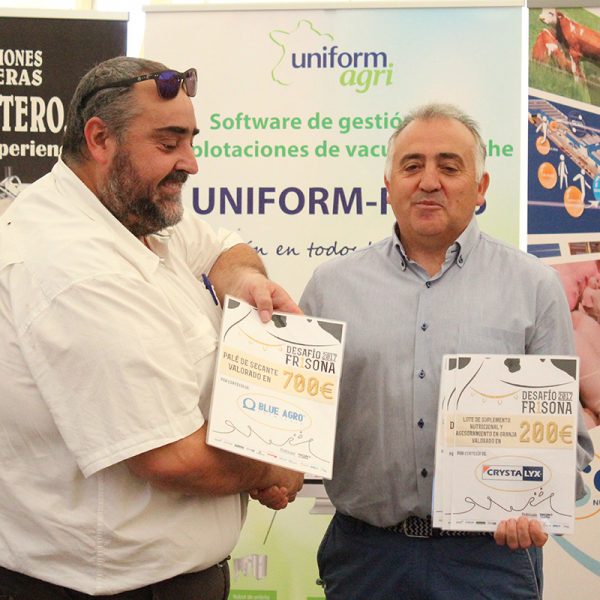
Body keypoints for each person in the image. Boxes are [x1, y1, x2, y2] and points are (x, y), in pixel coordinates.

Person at [0, 56, 303, 599]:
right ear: (100, 139)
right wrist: (276, 463)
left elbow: (222, 246)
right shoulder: (74, 265)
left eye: (191, 141)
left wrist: (245, 281)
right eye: (168, 144)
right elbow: (171, 457)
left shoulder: (129, 210)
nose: (191, 163)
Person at [300, 103, 594, 600]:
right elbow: (298, 419)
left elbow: (568, 440)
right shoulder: (330, 287)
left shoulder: (534, 287)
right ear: (388, 185)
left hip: (490, 560)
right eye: (412, 166)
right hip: (366, 557)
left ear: (481, 188)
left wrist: (536, 498)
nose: (429, 181)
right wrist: (267, 467)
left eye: (449, 167)